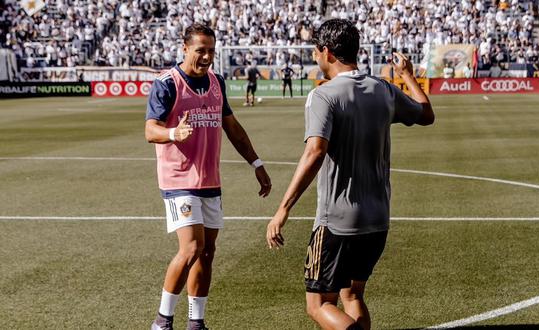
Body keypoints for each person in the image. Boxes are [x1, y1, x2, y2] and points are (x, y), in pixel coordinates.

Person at [266, 19, 434, 330]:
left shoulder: (324, 96)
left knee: (318, 304)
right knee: (352, 295)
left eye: (316, 51)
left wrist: (283, 208)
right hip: (377, 217)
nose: (315, 56)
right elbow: (426, 115)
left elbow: (315, 152)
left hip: (339, 219)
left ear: (326, 52)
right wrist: (408, 76)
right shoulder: (383, 89)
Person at [145, 24, 272, 330]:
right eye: (200, 50)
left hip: (210, 181)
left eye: (211, 51)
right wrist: (175, 132)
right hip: (178, 179)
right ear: (185, 48)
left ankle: (196, 322)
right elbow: (151, 130)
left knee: (207, 251)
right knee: (190, 248)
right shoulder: (167, 83)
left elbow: (232, 127)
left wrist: (256, 163)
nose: (206, 57)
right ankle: (162, 321)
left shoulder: (217, 82)